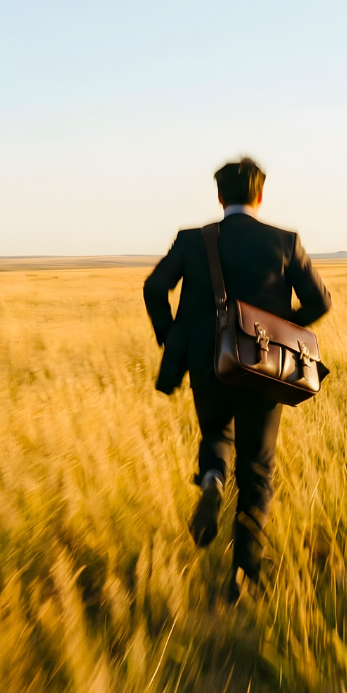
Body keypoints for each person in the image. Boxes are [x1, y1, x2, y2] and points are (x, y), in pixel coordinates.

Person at [143, 158, 332, 602]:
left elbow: (154, 288)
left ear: (219, 197)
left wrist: (173, 336)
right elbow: (319, 301)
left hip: (207, 361)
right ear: (260, 195)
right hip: (263, 367)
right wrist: (279, 330)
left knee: (215, 434)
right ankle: (244, 578)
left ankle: (211, 479)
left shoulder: (192, 239)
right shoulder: (284, 241)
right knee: (257, 468)